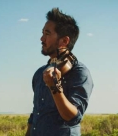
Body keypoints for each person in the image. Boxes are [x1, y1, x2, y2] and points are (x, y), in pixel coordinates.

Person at [26, 8, 94, 136]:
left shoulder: (79, 72)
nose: (41, 38)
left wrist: (54, 86)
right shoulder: (39, 73)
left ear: (64, 41)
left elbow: (73, 117)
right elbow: (36, 112)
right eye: (42, 33)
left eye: (47, 34)